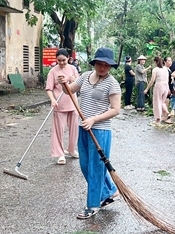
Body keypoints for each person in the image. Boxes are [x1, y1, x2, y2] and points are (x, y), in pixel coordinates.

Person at [56, 47, 121, 220]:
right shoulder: (84, 76)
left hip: (100, 130)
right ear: (95, 63)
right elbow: (69, 91)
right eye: (100, 63)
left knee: (95, 169)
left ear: (110, 66)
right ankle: (109, 191)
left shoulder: (112, 83)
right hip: (83, 128)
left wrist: (94, 119)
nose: (102, 68)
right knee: (85, 165)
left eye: (106, 65)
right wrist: (63, 82)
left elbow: (116, 110)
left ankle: (92, 205)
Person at [46, 49, 79, 165]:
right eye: (59, 60)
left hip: (73, 103)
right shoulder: (53, 71)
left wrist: (72, 79)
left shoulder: (73, 69)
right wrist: (53, 100)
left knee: (74, 129)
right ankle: (60, 154)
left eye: (64, 60)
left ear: (68, 58)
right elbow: (49, 89)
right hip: (59, 105)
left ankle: (71, 149)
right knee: (59, 130)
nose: (61, 63)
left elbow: (78, 83)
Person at [144, 56, 172, 124]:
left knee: (157, 102)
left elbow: (152, 80)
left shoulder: (155, 69)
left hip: (159, 86)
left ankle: (158, 119)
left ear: (155, 62)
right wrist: (168, 88)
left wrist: (147, 89)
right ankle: (167, 112)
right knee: (162, 102)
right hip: (165, 86)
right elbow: (168, 80)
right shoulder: (166, 69)